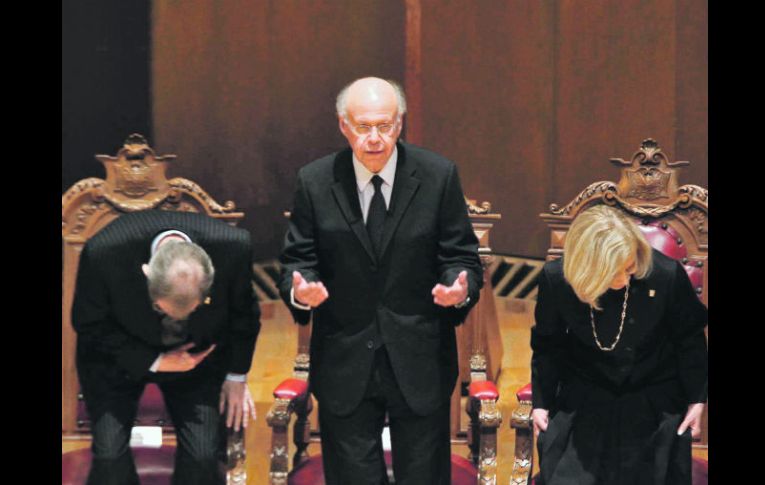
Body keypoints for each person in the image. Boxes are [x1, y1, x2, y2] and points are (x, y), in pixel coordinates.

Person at [279, 77, 483, 484]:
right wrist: (300, 291)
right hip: (345, 358)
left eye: (385, 126)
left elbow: (461, 257)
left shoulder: (438, 175)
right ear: (343, 126)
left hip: (419, 356)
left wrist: (459, 290)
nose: (375, 138)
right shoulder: (315, 181)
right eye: (363, 126)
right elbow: (297, 261)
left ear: (400, 123)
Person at [72, 209, 261, 485]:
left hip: (195, 360)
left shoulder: (233, 248)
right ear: (146, 274)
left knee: (202, 457)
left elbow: (244, 315)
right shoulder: (103, 252)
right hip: (118, 358)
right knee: (109, 457)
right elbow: (88, 324)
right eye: (164, 309)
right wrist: (155, 361)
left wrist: (236, 376)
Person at [530, 205, 708, 485]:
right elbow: (548, 345)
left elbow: (690, 339)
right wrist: (541, 404)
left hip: (652, 392)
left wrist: (697, 399)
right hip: (586, 391)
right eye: (617, 271)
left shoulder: (664, 274)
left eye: (630, 267)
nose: (628, 276)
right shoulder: (557, 279)